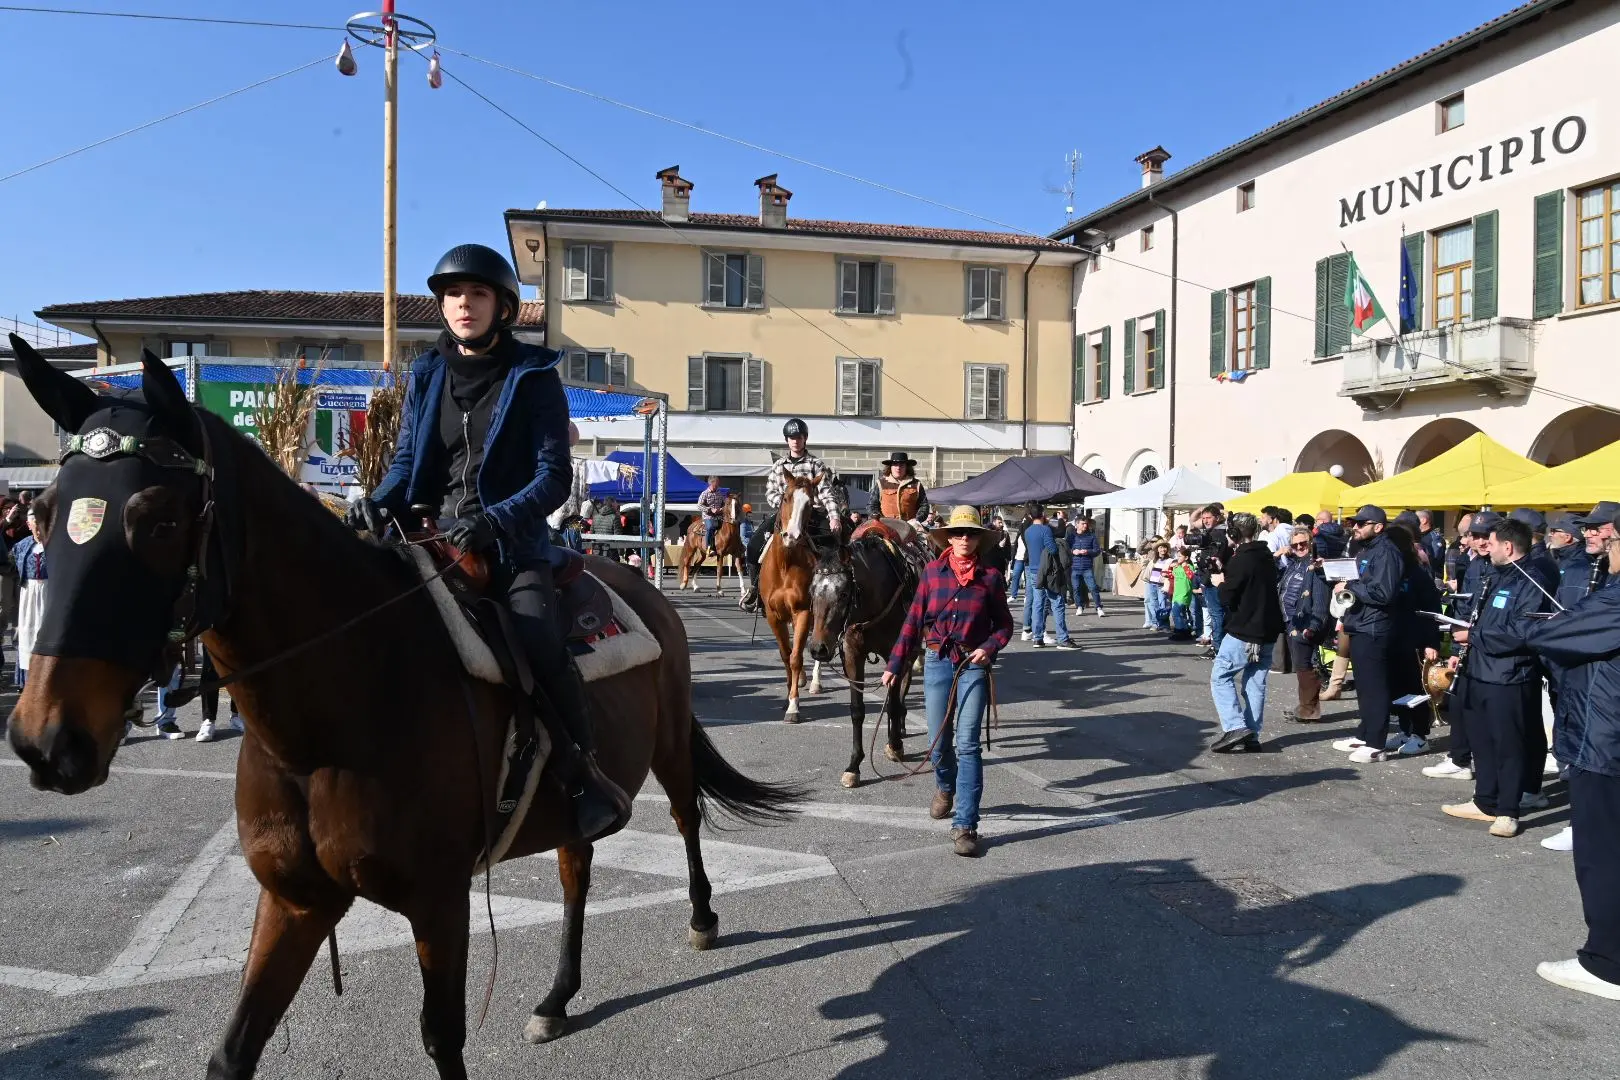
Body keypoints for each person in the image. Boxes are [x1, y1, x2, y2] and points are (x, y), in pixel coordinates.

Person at [346, 242, 628, 843]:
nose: (463, 305)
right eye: (452, 294)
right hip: (427, 532)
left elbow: (554, 477)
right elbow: (405, 463)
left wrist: (496, 520)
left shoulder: (535, 376)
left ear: (503, 306)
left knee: (536, 635)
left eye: (476, 294)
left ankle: (583, 774)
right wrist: (377, 498)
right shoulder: (426, 372)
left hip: (511, 541)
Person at [1472, 519, 1620, 999]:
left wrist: (1547, 627)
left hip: (1605, 741)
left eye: (1610, 539)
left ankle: (1607, 963)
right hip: (1604, 735)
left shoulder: (1615, 596)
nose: (1603, 547)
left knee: (1601, 855)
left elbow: (1558, 635)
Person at [882, 506, 1013, 858]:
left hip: (973, 664)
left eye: (970, 534)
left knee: (968, 744)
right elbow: (912, 622)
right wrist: (895, 664)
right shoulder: (931, 573)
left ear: (979, 539)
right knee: (937, 743)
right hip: (939, 661)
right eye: (958, 534)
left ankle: (967, 825)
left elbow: (1004, 625)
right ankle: (945, 786)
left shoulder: (991, 578)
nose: (964, 539)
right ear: (949, 538)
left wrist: (989, 647)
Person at [1441, 517, 1555, 838]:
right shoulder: (1495, 576)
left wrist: (1472, 636)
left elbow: (1521, 633)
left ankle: (1508, 810)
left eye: (1490, 542)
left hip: (1510, 677)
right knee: (1482, 742)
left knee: (1508, 745)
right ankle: (1484, 800)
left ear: (1508, 546)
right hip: (1479, 672)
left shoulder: (1531, 581)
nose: (1485, 548)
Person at [740, 417, 844, 610]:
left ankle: (835, 593)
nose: (795, 441)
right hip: (784, 515)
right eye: (791, 437)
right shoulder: (779, 465)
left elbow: (827, 493)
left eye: (799, 437)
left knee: (834, 548)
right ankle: (756, 590)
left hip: (811, 515)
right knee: (753, 547)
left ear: (805, 439)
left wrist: (834, 517)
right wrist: (787, 504)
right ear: (787, 440)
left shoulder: (815, 464)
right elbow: (770, 492)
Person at [1330, 505, 1407, 763]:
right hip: (1360, 623)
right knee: (1364, 685)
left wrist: (1351, 586)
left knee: (1375, 687)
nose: (1356, 527)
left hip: (1375, 627)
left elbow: (1384, 593)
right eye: (1355, 523)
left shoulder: (1386, 552)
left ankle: (1376, 743)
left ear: (1378, 526)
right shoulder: (1366, 550)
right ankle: (1365, 735)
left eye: (1362, 523)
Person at [1209, 513, 1284, 752]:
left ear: (1234, 534)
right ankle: (1252, 733)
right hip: (1267, 629)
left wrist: (1219, 582)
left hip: (1245, 630)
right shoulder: (1265, 556)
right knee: (1255, 682)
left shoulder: (1242, 560)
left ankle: (1235, 727)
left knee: (1221, 677)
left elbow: (1227, 596)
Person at [1279, 526, 1332, 723]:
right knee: (1301, 665)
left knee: (1304, 666)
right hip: (1292, 621)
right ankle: (1306, 707)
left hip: (1306, 623)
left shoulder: (1315, 566)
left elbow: (1320, 598)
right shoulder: (1294, 564)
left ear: (1310, 543)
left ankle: (1309, 710)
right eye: (1295, 544)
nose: (1299, 547)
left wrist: (1313, 626)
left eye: (1303, 543)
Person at [1027, 509, 1078, 651]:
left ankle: (1037, 638)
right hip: (1049, 570)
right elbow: (1052, 549)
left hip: (1033, 570)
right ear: (1043, 514)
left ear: (1030, 516)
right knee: (1057, 603)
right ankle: (1062, 639)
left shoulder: (1028, 531)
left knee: (1038, 604)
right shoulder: (1045, 530)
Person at [11, 508, 46, 693]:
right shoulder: (23, 546)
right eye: (35, 523)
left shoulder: (53, 546)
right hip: (28, 593)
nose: (39, 528)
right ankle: (27, 680)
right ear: (29, 525)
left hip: (48, 592)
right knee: (27, 634)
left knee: (44, 632)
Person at [1189, 504, 1231, 657]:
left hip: (1213, 580)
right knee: (1216, 614)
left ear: (1217, 518)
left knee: (1216, 614)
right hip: (1208, 578)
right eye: (1204, 518)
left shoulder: (1218, 534)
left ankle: (1218, 648)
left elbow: (1214, 560)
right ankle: (1218, 646)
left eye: (1209, 518)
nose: (1206, 520)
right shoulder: (1211, 533)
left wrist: (1204, 580)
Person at [867, 450, 930, 533]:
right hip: (886, 527)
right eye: (895, 464)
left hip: (910, 527)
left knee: (925, 541)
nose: (898, 467)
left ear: (907, 467)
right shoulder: (881, 483)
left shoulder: (916, 484)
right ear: (890, 467)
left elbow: (924, 505)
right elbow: (872, 505)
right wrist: (879, 519)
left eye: (902, 465)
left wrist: (917, 520)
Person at [1069, 517, 1104, 617]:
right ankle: (1079, 606)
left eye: (1086, 524)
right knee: (1076, 589)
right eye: (1083, 523)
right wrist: (1072, 551)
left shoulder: (1091, 536)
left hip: (1087, 566)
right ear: (1077, 525)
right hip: (1074, 567)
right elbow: (1066, 549)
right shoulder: (1071, 537)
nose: (1085, 525)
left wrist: (1087, 552)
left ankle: (1098, 607)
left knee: (1093, 588)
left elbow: (1097, 550)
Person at [1167, 549, 1197, 641]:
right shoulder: (1177, 567)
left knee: (1176, 612)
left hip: (1184, 594)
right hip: (1176, 593)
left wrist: (1184, 566)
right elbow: (1170, 575)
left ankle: (1179, 631)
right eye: (1178, 556)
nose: (1178, 558)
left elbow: (1191, 576)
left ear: (1186, 557)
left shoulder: (1189, 566)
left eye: (1180, 556)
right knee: (1181, 614)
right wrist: (1170, 567)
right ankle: (1184, 630)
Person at [1144, 540, 1173, 630]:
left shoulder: (1170, 560)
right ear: (1157, 549)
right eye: (1160, 547)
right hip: (1152, 584)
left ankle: (1164, 624)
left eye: (1164, 547)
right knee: (1153, 604)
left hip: (1162, 585)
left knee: (1163, 604)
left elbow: (1172, 573)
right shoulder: (1154, 560)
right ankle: (1155, 623)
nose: (1163, 549)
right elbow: (1148, 572)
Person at [697, 475, 727, 552]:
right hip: (708, 517)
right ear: (712, 482)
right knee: (710, 527)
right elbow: (699, 505)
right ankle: (709, 548)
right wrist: (710, 510)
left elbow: (724, 504)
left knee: (730, 526)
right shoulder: (705, 493)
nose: (718, 484)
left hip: (719, 517)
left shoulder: (720, 493)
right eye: (717, 482)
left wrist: (722, 509)